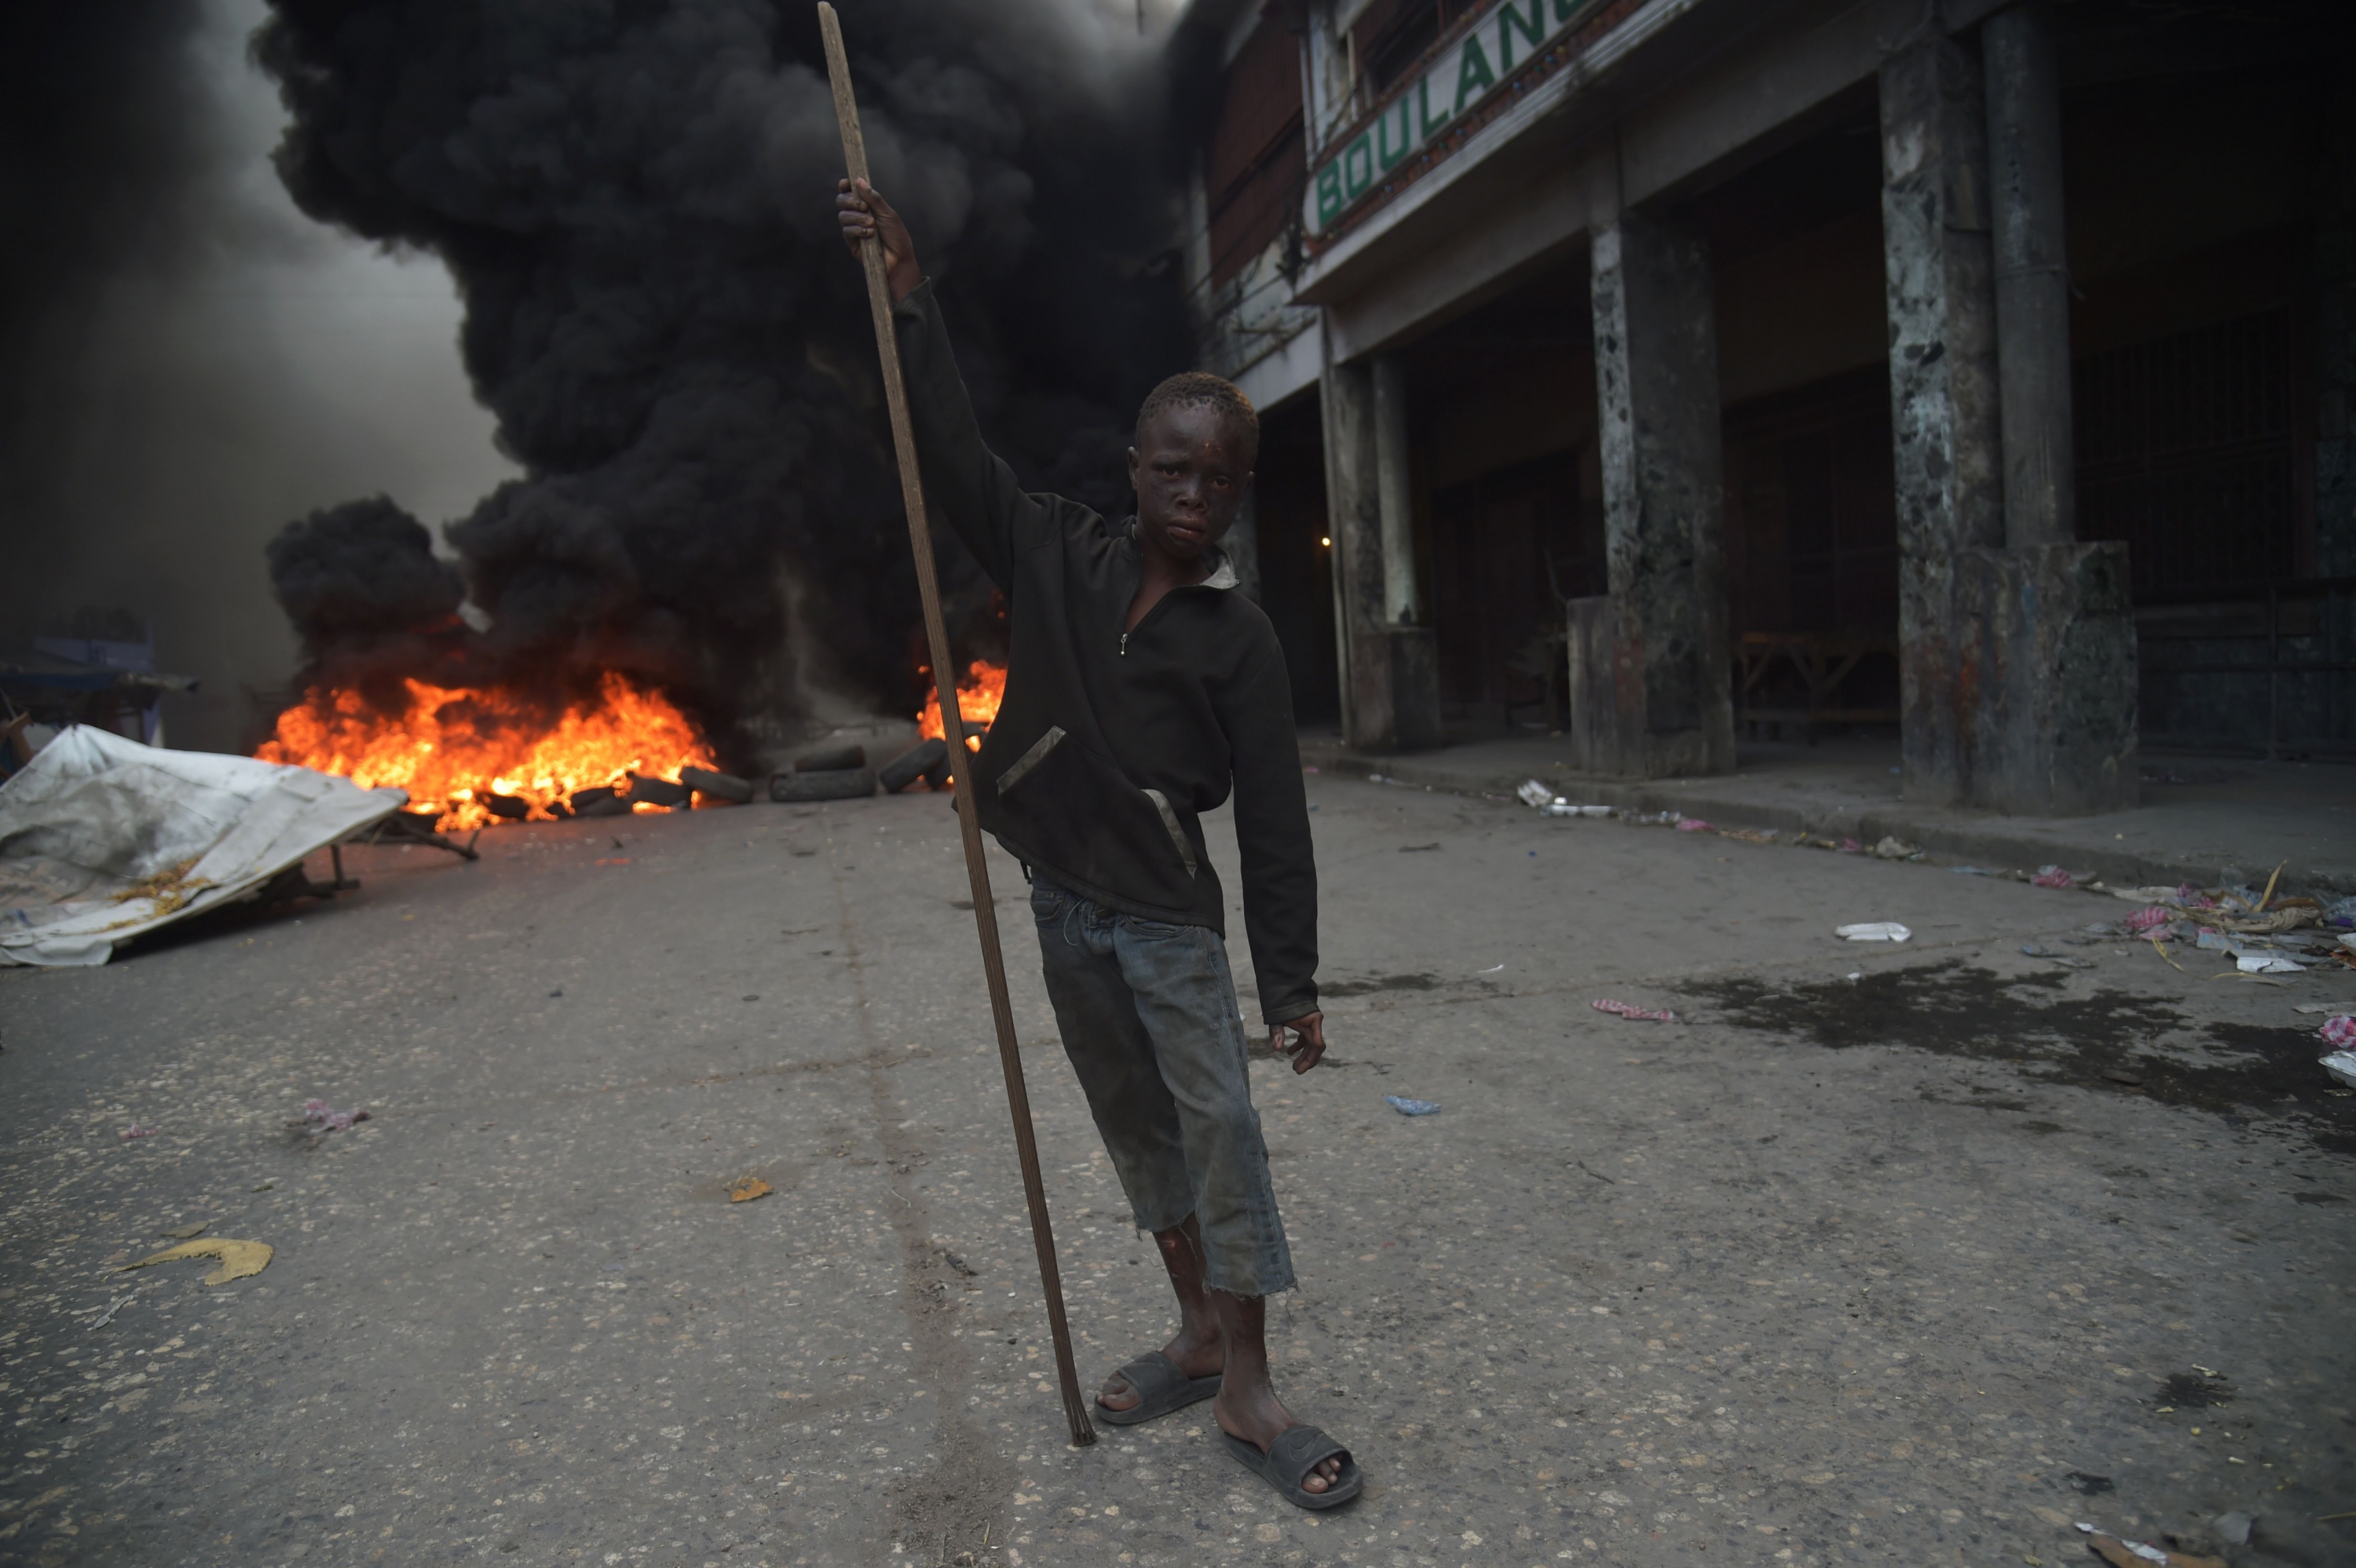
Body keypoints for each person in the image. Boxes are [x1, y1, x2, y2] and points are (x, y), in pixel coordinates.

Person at [839, 177, 1359, 1509]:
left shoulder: (1239, 640)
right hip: (1063, 903)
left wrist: (1290, 982)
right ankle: (1192, 1326)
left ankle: (1247, 1381)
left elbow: (1279, 823)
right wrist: (908, 296)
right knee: (1135, 1129)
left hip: (1169, 921)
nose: (1193, 493)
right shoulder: (1057, 551)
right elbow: (951, 453)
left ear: (1242, 492)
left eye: (1218, 477)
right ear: (1134, 472)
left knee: (1222, 1130)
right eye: (1170, 469)